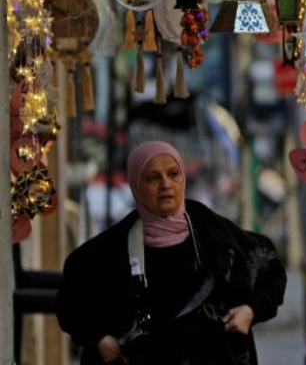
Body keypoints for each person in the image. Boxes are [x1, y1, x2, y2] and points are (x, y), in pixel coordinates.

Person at [57, 141, 286, 364]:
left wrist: (251, 310)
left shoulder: (213, 233)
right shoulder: (115, 248)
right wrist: (100, 338)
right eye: (153, 178)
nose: (166, 184)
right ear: (136, 184)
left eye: (173, 174)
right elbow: (71, 300)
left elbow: (269, 267)